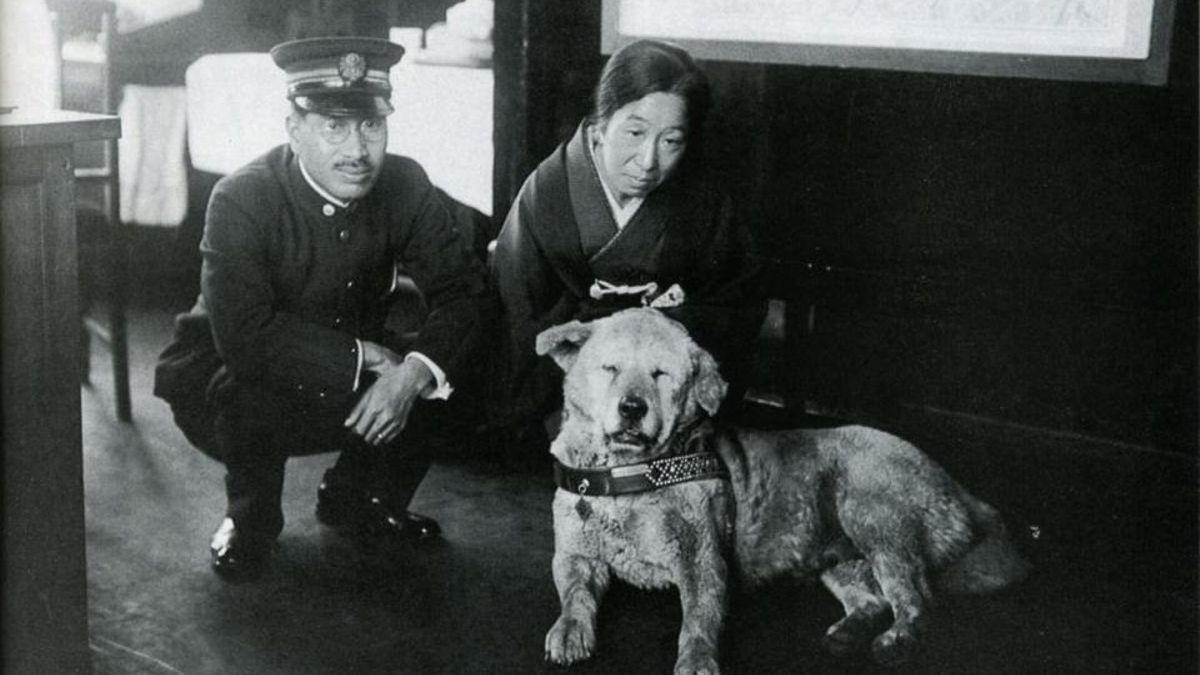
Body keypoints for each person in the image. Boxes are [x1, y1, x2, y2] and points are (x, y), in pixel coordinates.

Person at [154, 37, 489, 580]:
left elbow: (465, 293)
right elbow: (245, 339)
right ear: (294, 128)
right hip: (227, 378)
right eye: (334, 126)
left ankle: (359, 497)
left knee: (449, 361)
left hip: (347, 375)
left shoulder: (405, 183)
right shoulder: (243, 198)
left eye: (371, 126)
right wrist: (363, 359)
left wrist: (409, 377)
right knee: (249, 391)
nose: (357, 150)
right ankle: (249, 519)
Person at [490, 39, 767, 434]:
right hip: (568, 404)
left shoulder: (702, 203)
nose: (649, 161)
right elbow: (519, 313)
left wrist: (666, 325)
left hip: (666, 402)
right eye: (635, 132)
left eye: (671, 141)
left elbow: (736, 301)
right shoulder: (547, 195)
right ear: (602, 125)